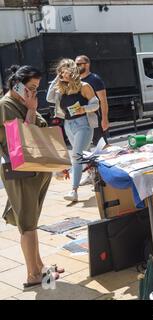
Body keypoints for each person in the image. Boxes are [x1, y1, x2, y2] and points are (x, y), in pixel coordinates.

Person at [0, 65, 63, 287]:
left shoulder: (21, 101)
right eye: (31, 87)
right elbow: (20, 140)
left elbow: (41, 129)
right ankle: (33, 275)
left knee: (32, 222)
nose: (34, 93)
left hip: (34, 169)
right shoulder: (7, 105)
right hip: (22, 171)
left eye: (36, 88)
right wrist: (30, 109)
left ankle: (40, 268)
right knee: (27, 224)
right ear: (17, 84)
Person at [47, 59, 99, 202]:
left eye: (63, 71)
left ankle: (73, 191)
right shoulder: (62, 89)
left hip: (84, 124)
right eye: (60, 72)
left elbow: (96, 104)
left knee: (76, 156)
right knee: (84, 155)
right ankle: (98, 177)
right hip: (68, 125)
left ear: (71, 71)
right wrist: (57, 78)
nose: (61, 75)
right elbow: (48, 98)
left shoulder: (84, 86)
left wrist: (84, 108)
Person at [75, 55, 109, 146]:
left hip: (93, 117)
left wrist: (104, 119)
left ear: (87, 65)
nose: (76, 66)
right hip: (80, 119)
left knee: (101, 146)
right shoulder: (76, 80)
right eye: (75, 64)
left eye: (78, 64)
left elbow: (103, 100)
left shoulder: (95, 79)